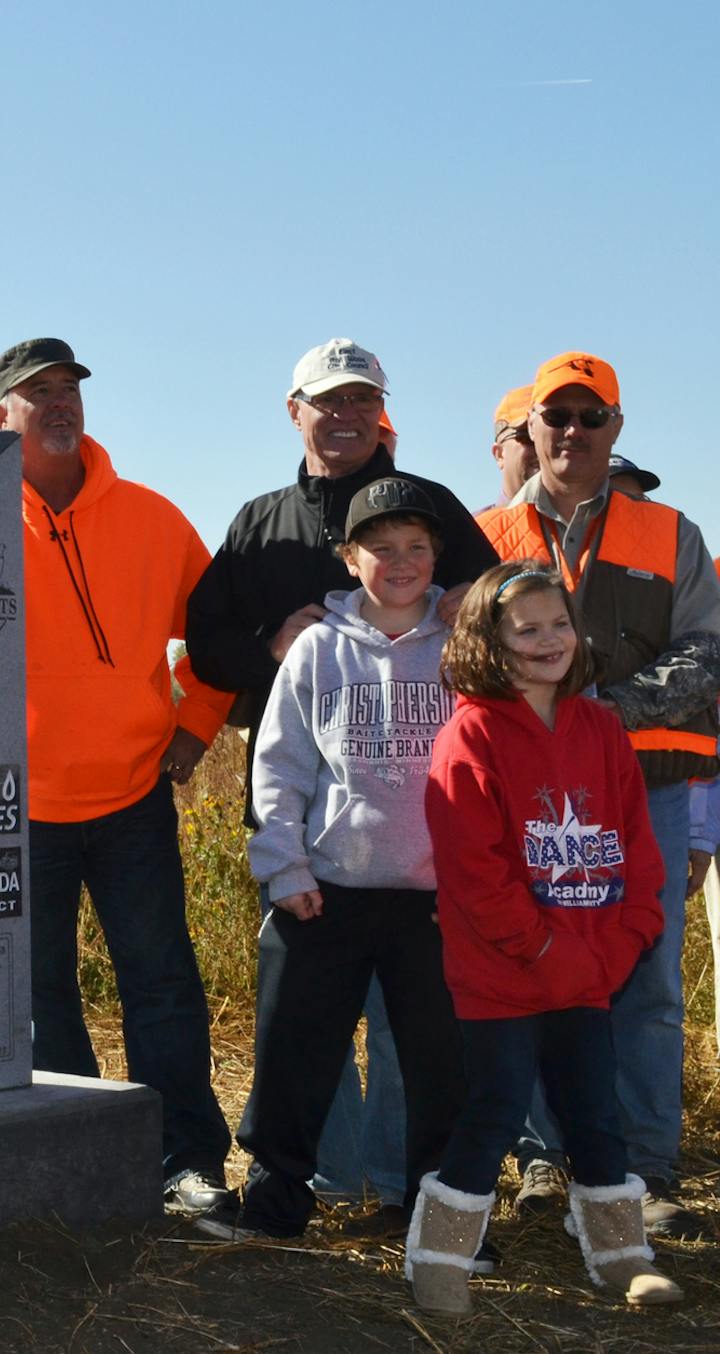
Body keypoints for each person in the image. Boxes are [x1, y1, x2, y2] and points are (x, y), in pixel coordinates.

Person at [185, 338, 497, 1225]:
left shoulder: (438, 534)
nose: (347, 414)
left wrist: (466, 610)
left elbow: (502, 625)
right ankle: (289, 1194)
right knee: (296, 1043)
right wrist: (269, 653)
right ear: (298, 411)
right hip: (322, 867)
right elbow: (228, 671)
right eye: (330, 401)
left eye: (364, 399)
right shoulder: (264, 530)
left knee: (433, 1054)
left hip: (435, 885)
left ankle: (430, 1208)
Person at [478, 351, 720, 1238]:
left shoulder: (672, 532)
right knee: (540, 967)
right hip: (530, 795)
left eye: (591, 417)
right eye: (556, 417)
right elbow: (464, 659)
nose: (573, 433)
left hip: (643, 791)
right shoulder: (486, 536)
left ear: (617, 428)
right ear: (529, 430)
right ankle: (545, 1164)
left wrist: (602, 719)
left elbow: (707, 650)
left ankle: (645, 1171)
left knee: (645, 980)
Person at [0, 337, 238, 1215]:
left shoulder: (151, 518)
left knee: (162, 984)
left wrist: (196, 726)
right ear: (2, 415)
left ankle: (186, 1163)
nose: (59, 404)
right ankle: (80, 1170)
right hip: (19, 807)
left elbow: (218, 637)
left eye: (70, 390)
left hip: (135, 795)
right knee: (38, 997)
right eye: (37, 392)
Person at [409, 560, 680, 1314]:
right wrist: (543, 950)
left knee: (593, 1107)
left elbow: (636, 848)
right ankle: (438, 1260)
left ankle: (623, 1255)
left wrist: (625, 939)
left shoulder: (600, 727)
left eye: (558, 622)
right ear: (488, 641)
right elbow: (474, 874)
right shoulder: (471, 736)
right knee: (494, 1108)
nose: (548, 639)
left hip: (590, 968)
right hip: (502, 974)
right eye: (525, 628)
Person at [486, 385, 537, 510]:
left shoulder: (588, 525)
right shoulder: (471, 527)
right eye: (528, 439)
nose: (542, 447)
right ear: (499, 454)